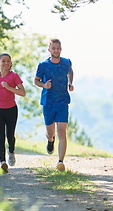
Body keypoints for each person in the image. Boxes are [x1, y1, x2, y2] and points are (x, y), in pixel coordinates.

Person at [34, 39, 74, 172]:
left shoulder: (66, 62)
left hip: (62, 101)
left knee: (62, 132)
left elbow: (71, 71)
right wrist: (44, 85)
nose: (56, 50)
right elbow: (36, 80)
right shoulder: (43, 65)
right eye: (53, 48)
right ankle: (50, 140)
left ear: (61, 49)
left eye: (58, 48)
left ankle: (60, 162)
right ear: (49, 50)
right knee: (51, 133)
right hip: (48, 103)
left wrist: (70, 83)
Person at [0, 53, 26, 173]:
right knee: (0, 137)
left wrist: (9, 88)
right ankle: (2, 162)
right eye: (3, 61)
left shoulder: (14, 76)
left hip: (11, 109)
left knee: (10, 135)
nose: (6, 63)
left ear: (11, 64)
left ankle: (11, 152)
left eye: (8, 61)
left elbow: (22, 92)